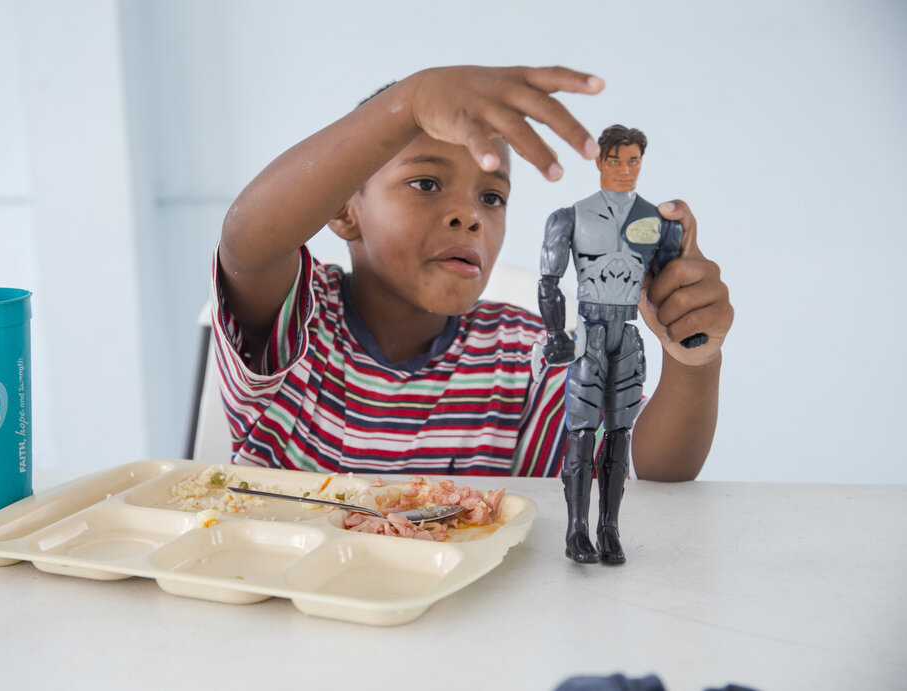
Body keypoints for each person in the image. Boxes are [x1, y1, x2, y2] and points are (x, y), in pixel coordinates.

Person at [213, 66, 733, 488]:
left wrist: (692, 360)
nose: (470, 215)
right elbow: (247, 246)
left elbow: (650, 468)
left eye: (492, 197)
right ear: (343, 209)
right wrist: (409, 102)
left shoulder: (523, 354)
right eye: (425, 182)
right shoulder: (300, 321)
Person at [539, 124, 698, 565]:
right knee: (582, 431)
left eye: (633, 161)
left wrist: (689, 328)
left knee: (621, 432)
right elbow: (549, 282)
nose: (625, 169)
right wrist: (554, 332)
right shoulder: (570, 215)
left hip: (628, 331)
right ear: (599, 161)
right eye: (616, 160)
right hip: (589, 331)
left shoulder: (657, 220)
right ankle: (576, 531)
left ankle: (609, 528)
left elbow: (671, 285)